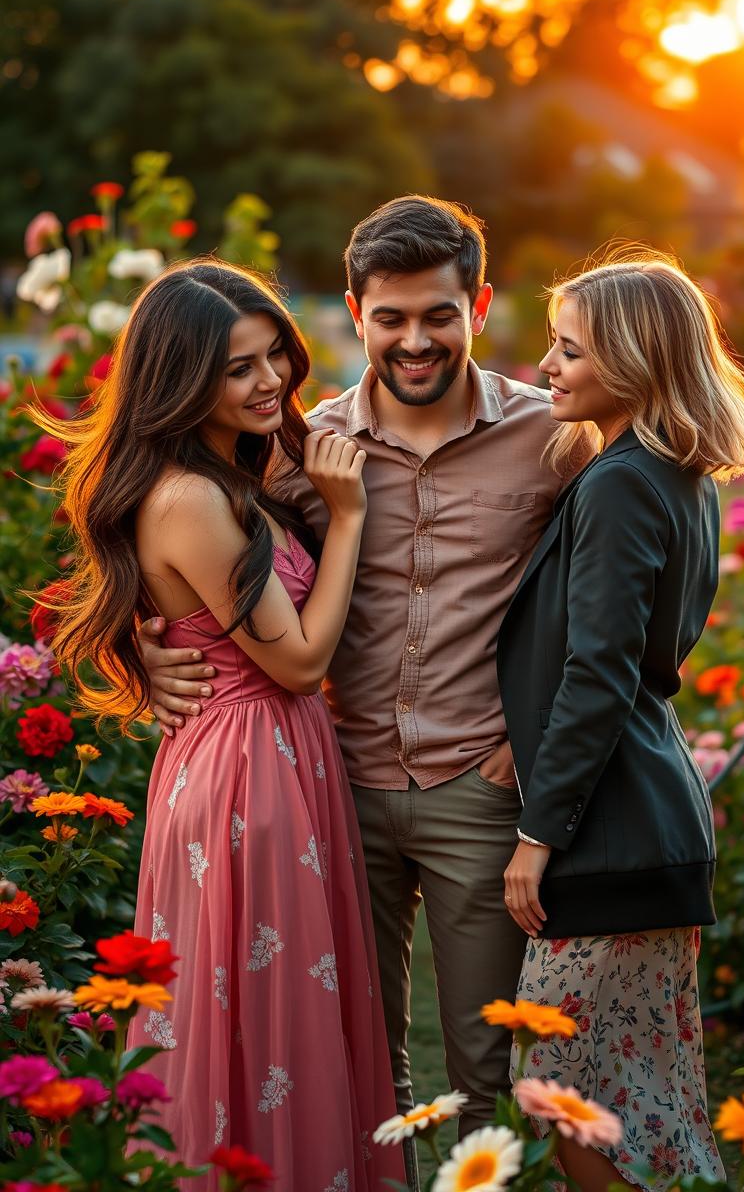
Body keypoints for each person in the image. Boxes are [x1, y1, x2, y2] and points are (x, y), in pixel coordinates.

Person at [142, 197, 590, 1187]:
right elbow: (174, 552)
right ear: (354, 312)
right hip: (327, 788)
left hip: (476, 783)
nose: (415, 338)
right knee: (352, 1060)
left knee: (481, 1067)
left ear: (477, 303)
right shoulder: (305, 449)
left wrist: (539, 737)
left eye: (439, 312)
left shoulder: (552, 438)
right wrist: (145, 651)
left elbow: (617, 593)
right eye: (390, 317)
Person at [34, 260, 404, 1192]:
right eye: (238, 368)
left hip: (272, 758)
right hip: (249, 778)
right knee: (268, 1015)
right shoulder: (192, 498)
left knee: (282, 1008)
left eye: (273, 352)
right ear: (181, 378)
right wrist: (350, 516)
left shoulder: (231, 471)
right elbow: (301, 662)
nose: (270, 378)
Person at [496, 250, 744, 1192]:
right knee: (647, 1105)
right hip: (650, 819)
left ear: (634, 357)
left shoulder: (622, 481)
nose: (546, 368)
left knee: (562, 1096)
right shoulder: (675, 474)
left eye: (569, 350)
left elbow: (603, 669)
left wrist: (539, 832)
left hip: (609, 834)